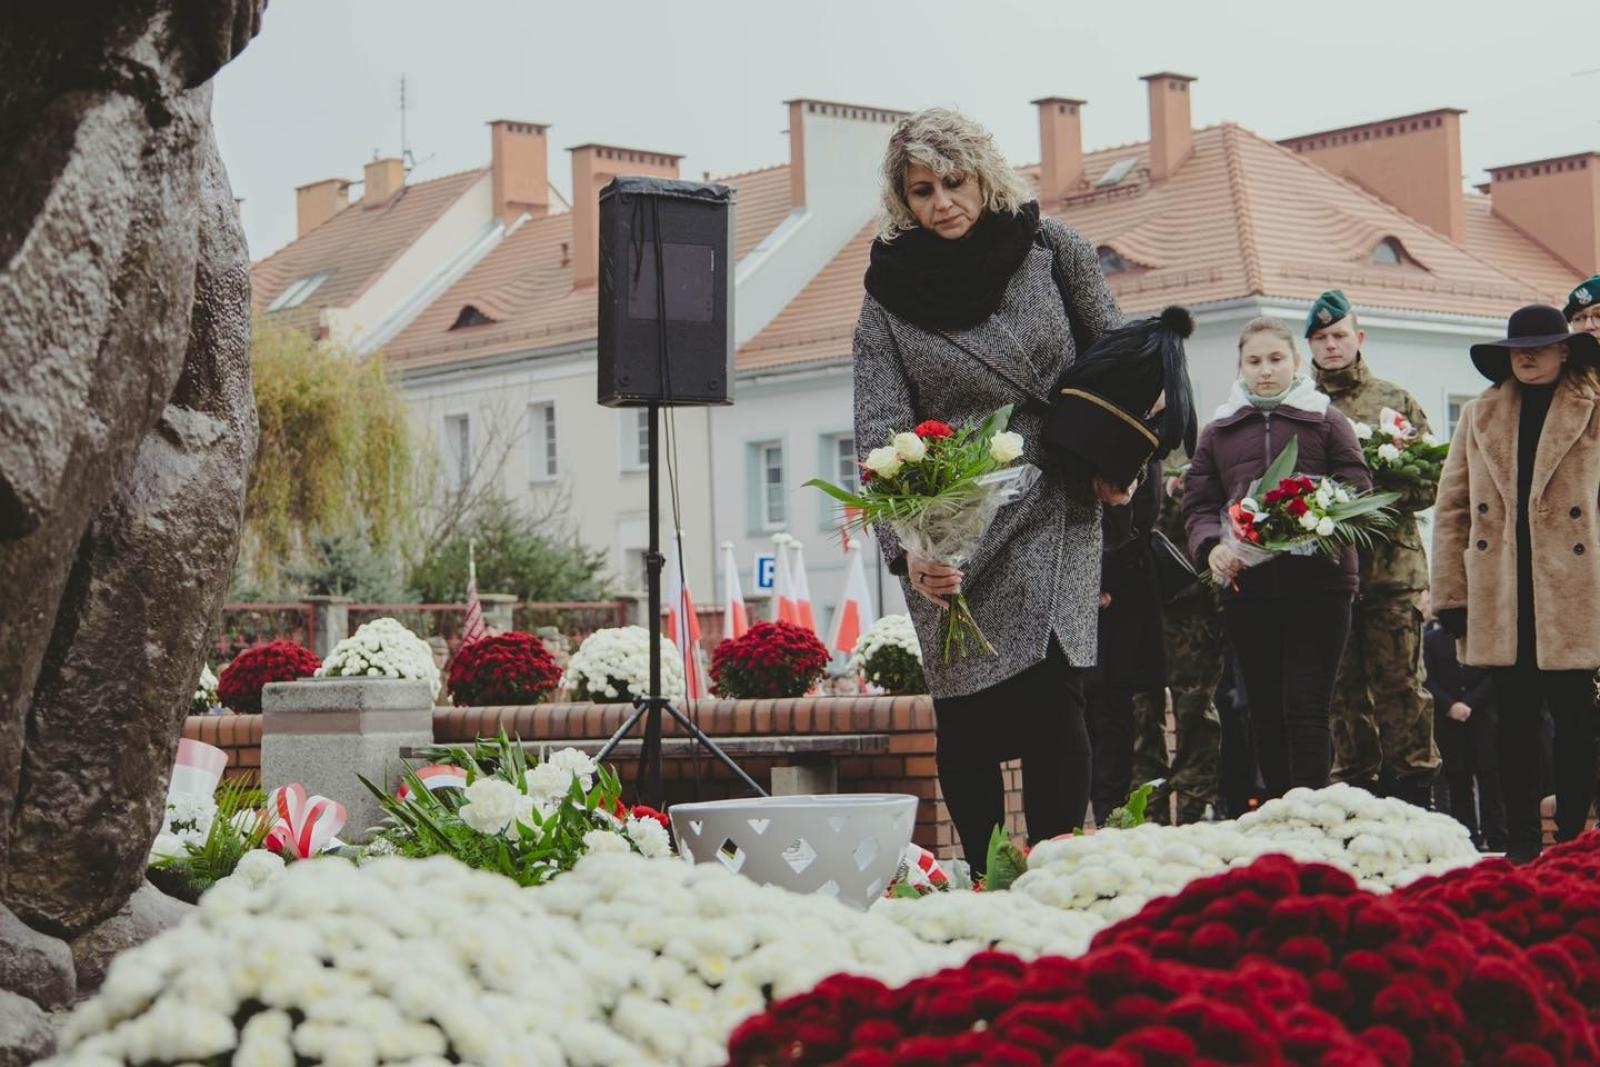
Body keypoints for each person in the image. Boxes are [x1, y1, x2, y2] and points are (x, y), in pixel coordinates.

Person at [852, 107, 1124, 873]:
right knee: (967, 722)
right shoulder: (886, 296)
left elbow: (1122, 361)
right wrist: (910, 554)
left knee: (1053, 696)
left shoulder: (1051, 249)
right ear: (902, 199)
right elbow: (877, 430)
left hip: (1056, 493)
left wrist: (1120, 460)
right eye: (922, 189)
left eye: (954, 181)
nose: (942, 201)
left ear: (984, 175)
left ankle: (1055, 870)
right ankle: (984, 879)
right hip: (952, 524)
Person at [1431, 303, 1600, 861]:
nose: (1526, 357)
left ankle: (1573, 838)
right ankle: (1521, 843)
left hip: (1578, 591)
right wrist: (1452, 596)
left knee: (1578, 723)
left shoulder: (1594, 407)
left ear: (1564, 350)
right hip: (1503, 594)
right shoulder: (1481, 414)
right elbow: (1452, 507)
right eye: (1517, 350)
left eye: (1540, 346)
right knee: (1512, 726)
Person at [1182, 317, 1371, 796]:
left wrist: (1312, 512)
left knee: (1306, 704)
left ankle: (1310, 813)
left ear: (1295, 362)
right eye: (1254, 361)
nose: (1265, 371)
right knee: (1262, 706)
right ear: (1241, 366)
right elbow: (1198, 506)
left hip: (1321, 586)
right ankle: (1279, 813)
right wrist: (1213, 548)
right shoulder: (1219, 431)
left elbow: (1357, 489)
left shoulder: (1326, 419)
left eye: (1275, 359)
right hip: (1251, 588)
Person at [1306, 290, 1441, 806]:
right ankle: (1357, 792)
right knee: (1343, 693)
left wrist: (1377, 490)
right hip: (1330, 573)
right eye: (1320, 338)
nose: (1331, 346)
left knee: (1402, 685)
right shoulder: (1304, 406)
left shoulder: (1395, 401)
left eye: (1339, 335)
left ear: (1358, 338)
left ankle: (1416, 792)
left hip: (1392, 572)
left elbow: (1432, 480)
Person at [1130, 466, 1225, 824]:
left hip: (1193, 608)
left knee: (1196, 713)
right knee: (1139, 716)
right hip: (1137, 603)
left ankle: (1194, 812)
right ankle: (1148, 816)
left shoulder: (1195, 445)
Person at [1086, 458, 1166, 826]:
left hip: (1121, 596)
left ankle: (1111, 819)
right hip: (1085, 596)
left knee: (1113, 714)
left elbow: (1138, 517)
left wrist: (1102, 581)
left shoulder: (1141, 450)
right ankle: (1103, 816)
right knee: (1093, 715)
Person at [1419, 590, 1507, 850]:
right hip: (1449, 722)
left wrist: (1470, 704)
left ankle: (1498, 836)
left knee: (1490, 780)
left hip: (1482, 719)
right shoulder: (1431, 641)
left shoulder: (1483, 638)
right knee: (1459, 781)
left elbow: (1493, 675)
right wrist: (1450, 706)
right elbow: (1426, 678)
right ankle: (1468, 838)